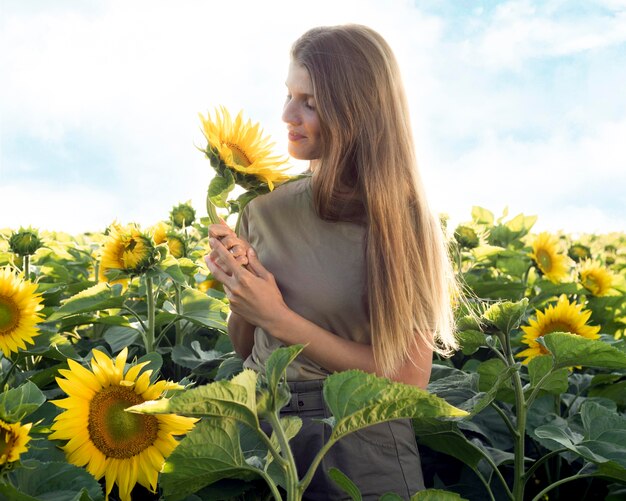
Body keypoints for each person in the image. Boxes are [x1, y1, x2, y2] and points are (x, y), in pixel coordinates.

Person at [205, 24, 459, 500]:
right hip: (263, 436)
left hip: (358, 440)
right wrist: (241, 290)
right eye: (288, 95)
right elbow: (247, 349)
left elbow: (409, 378)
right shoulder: (263, 206)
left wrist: (278, 316)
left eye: (311, 102)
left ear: (357, 111)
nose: (286, 114)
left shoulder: (399, 219)